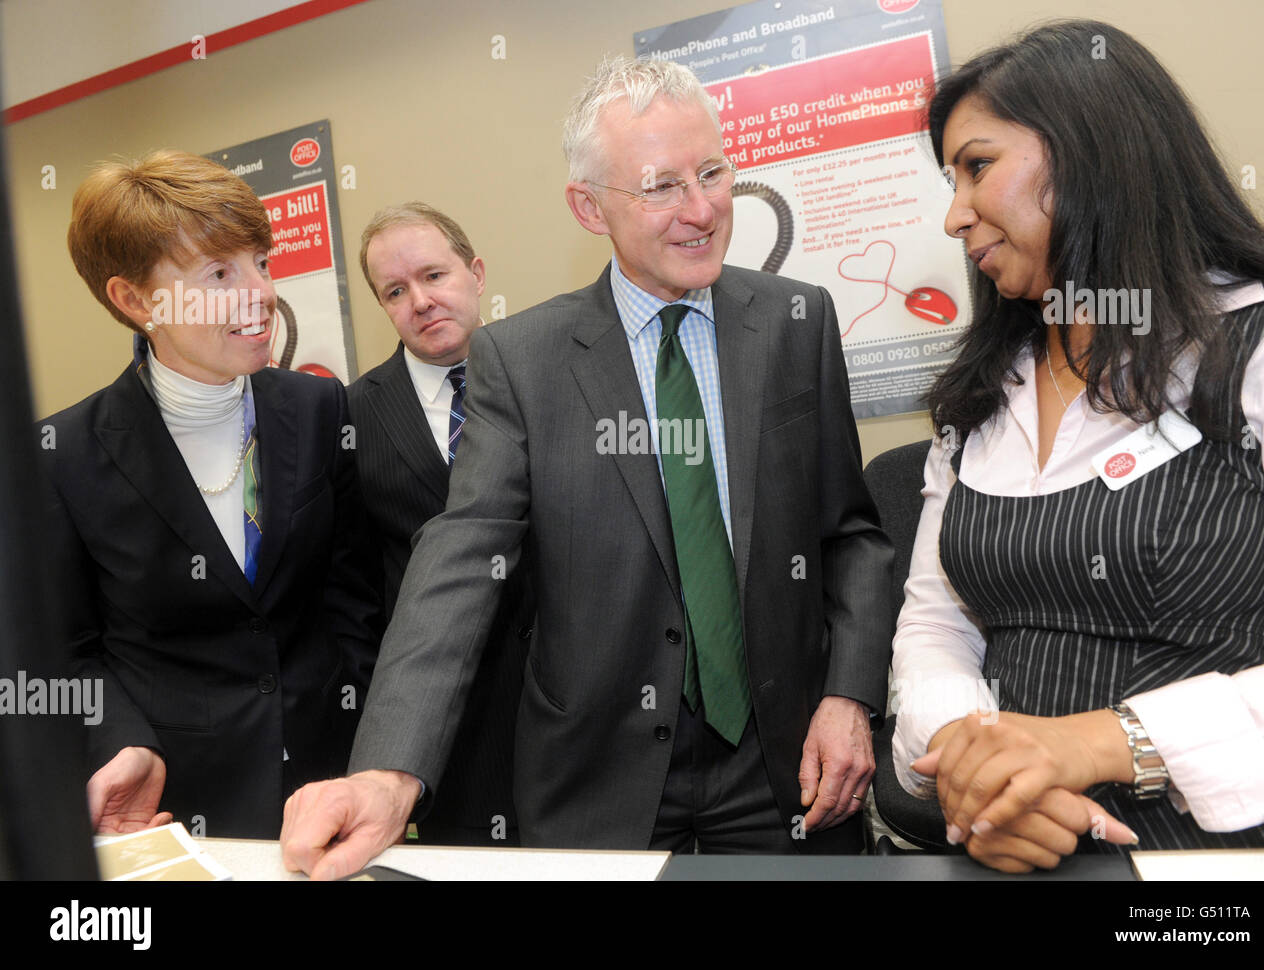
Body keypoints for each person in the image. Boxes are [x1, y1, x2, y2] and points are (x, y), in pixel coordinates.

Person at [281, 55, 894, 877]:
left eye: (711, 172)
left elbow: (850, 533)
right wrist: (389, 771)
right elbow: (463, 554)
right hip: (602, 784)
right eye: (661, 186)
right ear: (588, 207)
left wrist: (849, 696)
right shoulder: (523, 359)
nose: (704, 209)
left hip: (787, 766)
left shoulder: (795, 321)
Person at [890, 20, 1264, 872]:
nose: (956, 214)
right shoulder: (982, 392)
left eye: (977, 166)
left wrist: (1097, 744)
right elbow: (933, 627)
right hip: (1010, 850)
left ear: (1087, 151)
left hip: (1208, 866)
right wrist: (982, 771)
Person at [42, 150, 381, 839]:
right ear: (135, 301)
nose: (260, 292)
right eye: (220, 273)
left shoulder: (320, 409)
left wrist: (369, 739)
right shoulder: (62, 455)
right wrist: (118, 743)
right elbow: (66, 650)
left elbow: (354, 594)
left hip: (336, 783)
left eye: (261, 260)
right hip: (178, 803)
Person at [347, 204, 535, 846]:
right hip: (445, 734)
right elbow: (355, 592)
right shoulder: (351, 416)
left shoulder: (549, 376)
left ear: (476, 273)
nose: (421, 301)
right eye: (395, 292)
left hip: (570, 713)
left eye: (435, 275)